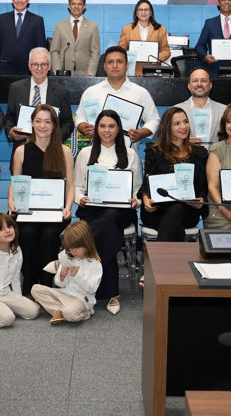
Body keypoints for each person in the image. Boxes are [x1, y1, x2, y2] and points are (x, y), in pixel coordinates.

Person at [74, 109, 140, 315]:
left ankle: (82, 274)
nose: (107, 130)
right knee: (107, 229)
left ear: (119, 129)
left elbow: (137, 188)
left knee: (110, 218)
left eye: (111, 126)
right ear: (96, 129)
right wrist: (80, 198)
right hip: (92, 208)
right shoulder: (85, 153)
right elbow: (77, 186)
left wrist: (136, 200)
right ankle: (112, 294)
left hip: (121, 210)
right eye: (102, 126)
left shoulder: (130, 154)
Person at [8, 104, 74, 295]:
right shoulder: (21, 151)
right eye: (38, 121)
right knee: (27, 233)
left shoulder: (64, 151)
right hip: (27, 211)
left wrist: (68, 207)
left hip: (55, 212)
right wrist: (11, 201)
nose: (42, 126)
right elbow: (15, 182)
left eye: (47, 122)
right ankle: (29, 283)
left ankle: (45, 284)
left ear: (54, 125)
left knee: (49, 235)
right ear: (32, 123)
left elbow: (70, 185)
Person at [139, 107, 209, 241]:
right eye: (177, 123)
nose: (183, 126)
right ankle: (172, 254)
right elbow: (147, 183)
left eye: (185, 121)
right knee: (173, 216)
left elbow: (202, 186)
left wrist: (201, 201)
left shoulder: (199, 153)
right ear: (167, 127)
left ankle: (163, 254)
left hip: (187, 210)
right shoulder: (154, 152)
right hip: (158, 210)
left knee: (177, 209)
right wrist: (146, 200)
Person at [74, 45, 159, 147]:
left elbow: (154, 119)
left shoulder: (141, 92)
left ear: (127, 65)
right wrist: (84, 127)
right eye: (110, 62)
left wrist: (141, 133)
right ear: (104, 66)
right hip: (97, 153)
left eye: (119, 61)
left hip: (129, 153)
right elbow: (79, 118)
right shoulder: (91, 92)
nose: (114, 66)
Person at [31, 221, 103, 325]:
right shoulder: (68, 258)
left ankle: (84, 313)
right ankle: (61, 311)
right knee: (35, 289)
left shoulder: (95, 264)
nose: (73, 252)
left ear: (87, 244)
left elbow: (92, 288)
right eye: (70, 248)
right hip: (64, 293)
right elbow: (59, 284)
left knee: (71, 314)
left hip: (82, 299)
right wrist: (61, 276)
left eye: (76, 248)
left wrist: (78, 275)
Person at [4, 47, 74, 149]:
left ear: (49, 66)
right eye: (35, 64)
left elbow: (67, 123)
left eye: (43, 64)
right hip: (22, 147)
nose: (39, 68)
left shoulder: (61, 92)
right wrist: (11, 131)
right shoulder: (16, 88)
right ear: (29, 65)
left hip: (51, 149)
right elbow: (10, 117)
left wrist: (55, 139)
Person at [0, 0, 47, 75]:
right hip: (5, 69)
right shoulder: (2, 19)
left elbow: (41, 48)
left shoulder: (37, 20)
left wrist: (40, 69)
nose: (19, 1)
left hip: (29, 70)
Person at [49, 0, 100, 76]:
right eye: (73, 4)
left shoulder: (93, 26)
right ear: (69, 6)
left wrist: (90, 73)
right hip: (63, 72)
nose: (76, 7)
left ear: (84, 6)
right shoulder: (59, 26)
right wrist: (57, 71)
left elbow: (95, 52)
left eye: (79, 4)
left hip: (85, 74)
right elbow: (54, 51)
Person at [173, 68, 226, 147]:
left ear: (210, 85)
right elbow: (167, 139)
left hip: (218, 155)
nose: (199, 84)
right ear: (189, 86)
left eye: (204, 81)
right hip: (187, 154)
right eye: (195, 81)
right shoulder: (175, 110)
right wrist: (184, 143)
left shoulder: (225, 110)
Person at [117, 0, 171, 67]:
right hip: (133, 69)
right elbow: (120, 50)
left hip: (152, 69)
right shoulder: (127, 29)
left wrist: (157, 58)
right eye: (140, 10)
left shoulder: (161, 30)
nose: (143, 12)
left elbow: (166, 51)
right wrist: (128, 57)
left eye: (146, 9)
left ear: (151, 12)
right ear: (136, 13)